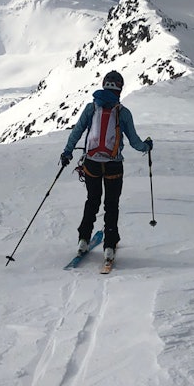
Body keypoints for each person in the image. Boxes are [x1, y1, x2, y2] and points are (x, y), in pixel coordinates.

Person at [61, 70, 152, 262]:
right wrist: (147, 146)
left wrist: (67, 152)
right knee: (111, 205)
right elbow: (135, 142)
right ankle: (110, 245)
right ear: (120, 88)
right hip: (113, 166)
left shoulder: (91, 108)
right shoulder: (123, 112)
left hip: (91, 163)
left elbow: (76, 132)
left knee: (92, 201)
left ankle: (83, 239)